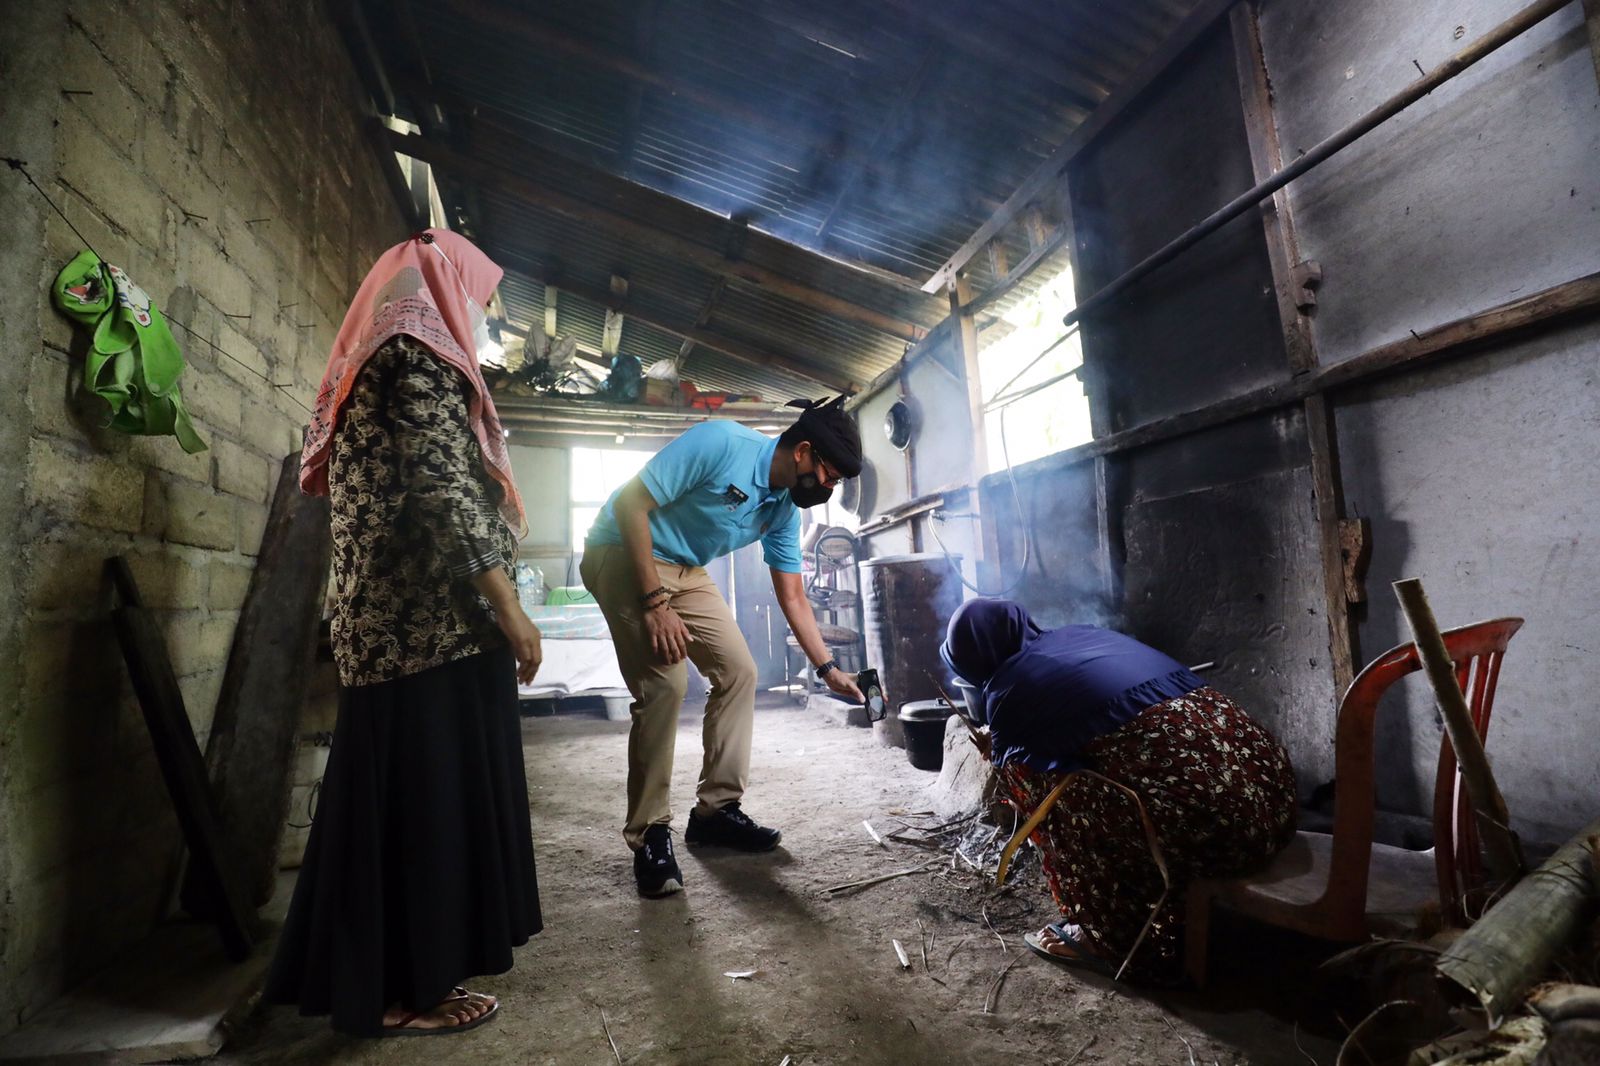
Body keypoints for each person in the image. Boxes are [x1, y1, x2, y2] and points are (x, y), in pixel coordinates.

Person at [265, 230, 544, 1036]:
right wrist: (507, 605)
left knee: (399, 805)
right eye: (479, 301)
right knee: (422, 807)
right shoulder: (413, 348)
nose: (480, 320)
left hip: (398, 624)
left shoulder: (387, 348)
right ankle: (404, 990)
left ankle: (392, 983)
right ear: (445, 282)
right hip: (422, 626)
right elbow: (441, 485)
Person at [581, 398, 866, 897]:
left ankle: (715, 812)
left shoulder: (781, 510)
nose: (828, 488)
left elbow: (793, 595)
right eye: (829, 475)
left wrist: (827, 669)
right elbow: (630, 503)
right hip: (623, 549)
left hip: (686, 569)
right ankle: (649, 833)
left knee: (740, 672)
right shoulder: (720, 443)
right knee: (666, 683)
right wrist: (653, 601)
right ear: (803, 452)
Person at [940, 599, 1296, 982]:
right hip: (1275, 796)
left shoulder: (1009, 689)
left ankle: (1109, 932)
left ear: (971, 662)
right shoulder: (1083, 635)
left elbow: (1027, 778)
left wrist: (1003, 754)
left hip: (1217, 834)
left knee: (1045, 788)